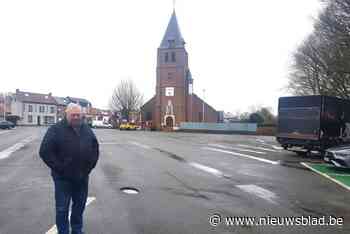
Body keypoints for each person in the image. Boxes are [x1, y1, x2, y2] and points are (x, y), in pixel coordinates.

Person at [39, 103, 99, 234]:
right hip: (63, 179)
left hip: (82, 177)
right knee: (62, 208)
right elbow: (44, 151)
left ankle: (77, 230)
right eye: (73, 115)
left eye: (79, 115)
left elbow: (95, 148)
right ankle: (63, 232)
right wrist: (60, 168)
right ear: (66, 114)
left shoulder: (86, 129)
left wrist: (89, 167)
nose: (76, 117)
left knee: (79, 206)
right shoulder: (55, 129)